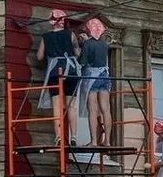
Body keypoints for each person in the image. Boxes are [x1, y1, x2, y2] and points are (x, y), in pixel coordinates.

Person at [35, 9, 81, 146]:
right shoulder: (70, 34)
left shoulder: (46, 37)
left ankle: (59, 136)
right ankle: (74, 136)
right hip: (71, 71)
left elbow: (39, 56)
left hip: (55, 71)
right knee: (71, 105)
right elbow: (77, 52)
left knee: (57, 106)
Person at [78, 18, 112, 147]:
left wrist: (83, 44)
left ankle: (93, 141)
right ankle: (107, 141)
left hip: (91, 77)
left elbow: (82, 61)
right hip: (104, 75)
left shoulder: (87, 44)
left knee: (92, 109)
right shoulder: (104, 45)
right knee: (106, 109)